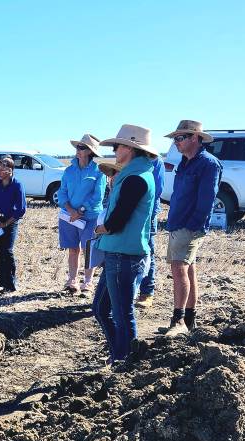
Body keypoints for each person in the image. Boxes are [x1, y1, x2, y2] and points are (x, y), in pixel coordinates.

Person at [92, 124, 158, 364]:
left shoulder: (136, 178)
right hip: (118, 251)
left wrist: (101, 228)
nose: (114, 150)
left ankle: (124, 362)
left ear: (129, 148)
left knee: (121, 313)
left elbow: (118, 219)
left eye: (117, 145)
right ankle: (119, 356)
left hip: (123, 253)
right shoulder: (134, 175)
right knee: (102, 309)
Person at [161, 120, 222, 336]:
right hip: (178, 223)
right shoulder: (185, 163)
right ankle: (189, 320)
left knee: (179, 270)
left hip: (189, 226)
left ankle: (178, 321)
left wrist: (193, 225)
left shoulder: (208, 164)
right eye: (175, 139)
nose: (175, 143)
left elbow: (206, 200)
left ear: (194, 138)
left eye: (180, 138)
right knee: (188, 270)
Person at [54, 134, 106, 294]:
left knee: (88, 249)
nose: (78, 150)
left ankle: (88, 282)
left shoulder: (99, 172)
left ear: (90, 152)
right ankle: (72, 280)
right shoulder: (69, 171)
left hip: (89, 217)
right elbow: (62, 192)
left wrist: (81, 211)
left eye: (82, 147)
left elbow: (98, 196)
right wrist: (71, 210)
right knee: (73, 249)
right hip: (68, 216)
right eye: (77, 147)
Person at [0, 156, 27, 293]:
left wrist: (6, 222)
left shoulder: (17, 185)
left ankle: (10, 284)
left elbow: (21, 209)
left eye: (3, 169)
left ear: (10, 170)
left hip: (10, 222)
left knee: (7, 251)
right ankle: (1, 282)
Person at [135, 150, 166, 308]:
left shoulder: (155, 161)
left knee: (147, 251)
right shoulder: (130, 159)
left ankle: (146, 292)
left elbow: (157, 189)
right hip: (129, 213)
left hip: (148, 212)